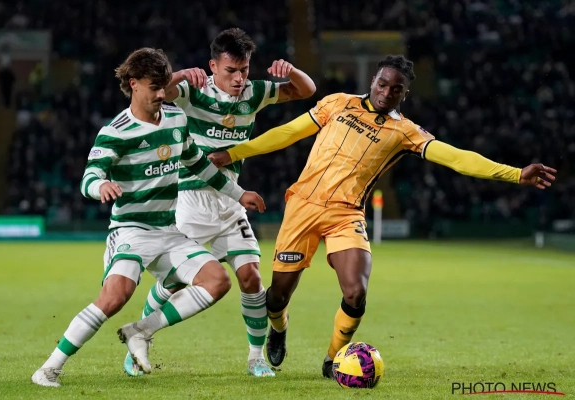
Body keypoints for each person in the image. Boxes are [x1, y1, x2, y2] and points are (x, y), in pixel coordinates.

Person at [207, 54, 557, 378]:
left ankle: (334, 358)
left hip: (346, 214)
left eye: (396, 89)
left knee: (356, 293)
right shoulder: (337, 103)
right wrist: (236, 152)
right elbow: (287, 133)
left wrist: (515, 174)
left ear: (404, 94)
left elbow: (456, 157)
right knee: (277, 297)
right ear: (372, 81)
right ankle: (278, 328)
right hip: (303, 207)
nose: (387, 92)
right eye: (383, 84)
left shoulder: (406, 132)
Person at [31, 47, 265, 387]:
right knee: (116, 296)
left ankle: (141, 330)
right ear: (134, 84)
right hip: (130, 230)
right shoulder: (116, 131)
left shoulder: (176, 119)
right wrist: (101, 186)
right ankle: (49, 368)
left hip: (169, 231)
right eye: (154, 88)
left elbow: (198, 165)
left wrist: (238, 194)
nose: (160, 95)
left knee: (218, 281)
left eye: (163, 87)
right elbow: (89, 177)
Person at [123, 28, 316, 378]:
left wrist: (291, 71)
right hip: (190, 202)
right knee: (173, 282)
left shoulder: (255, 92)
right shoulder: (194, 90)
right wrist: (181, 74)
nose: (239, 78)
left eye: (244, 69)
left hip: (229, 202)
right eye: (230, 71)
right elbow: (160, 92)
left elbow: (307, 90)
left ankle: (256, 358)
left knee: (251, 277)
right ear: (213, 66)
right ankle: (140, 338)